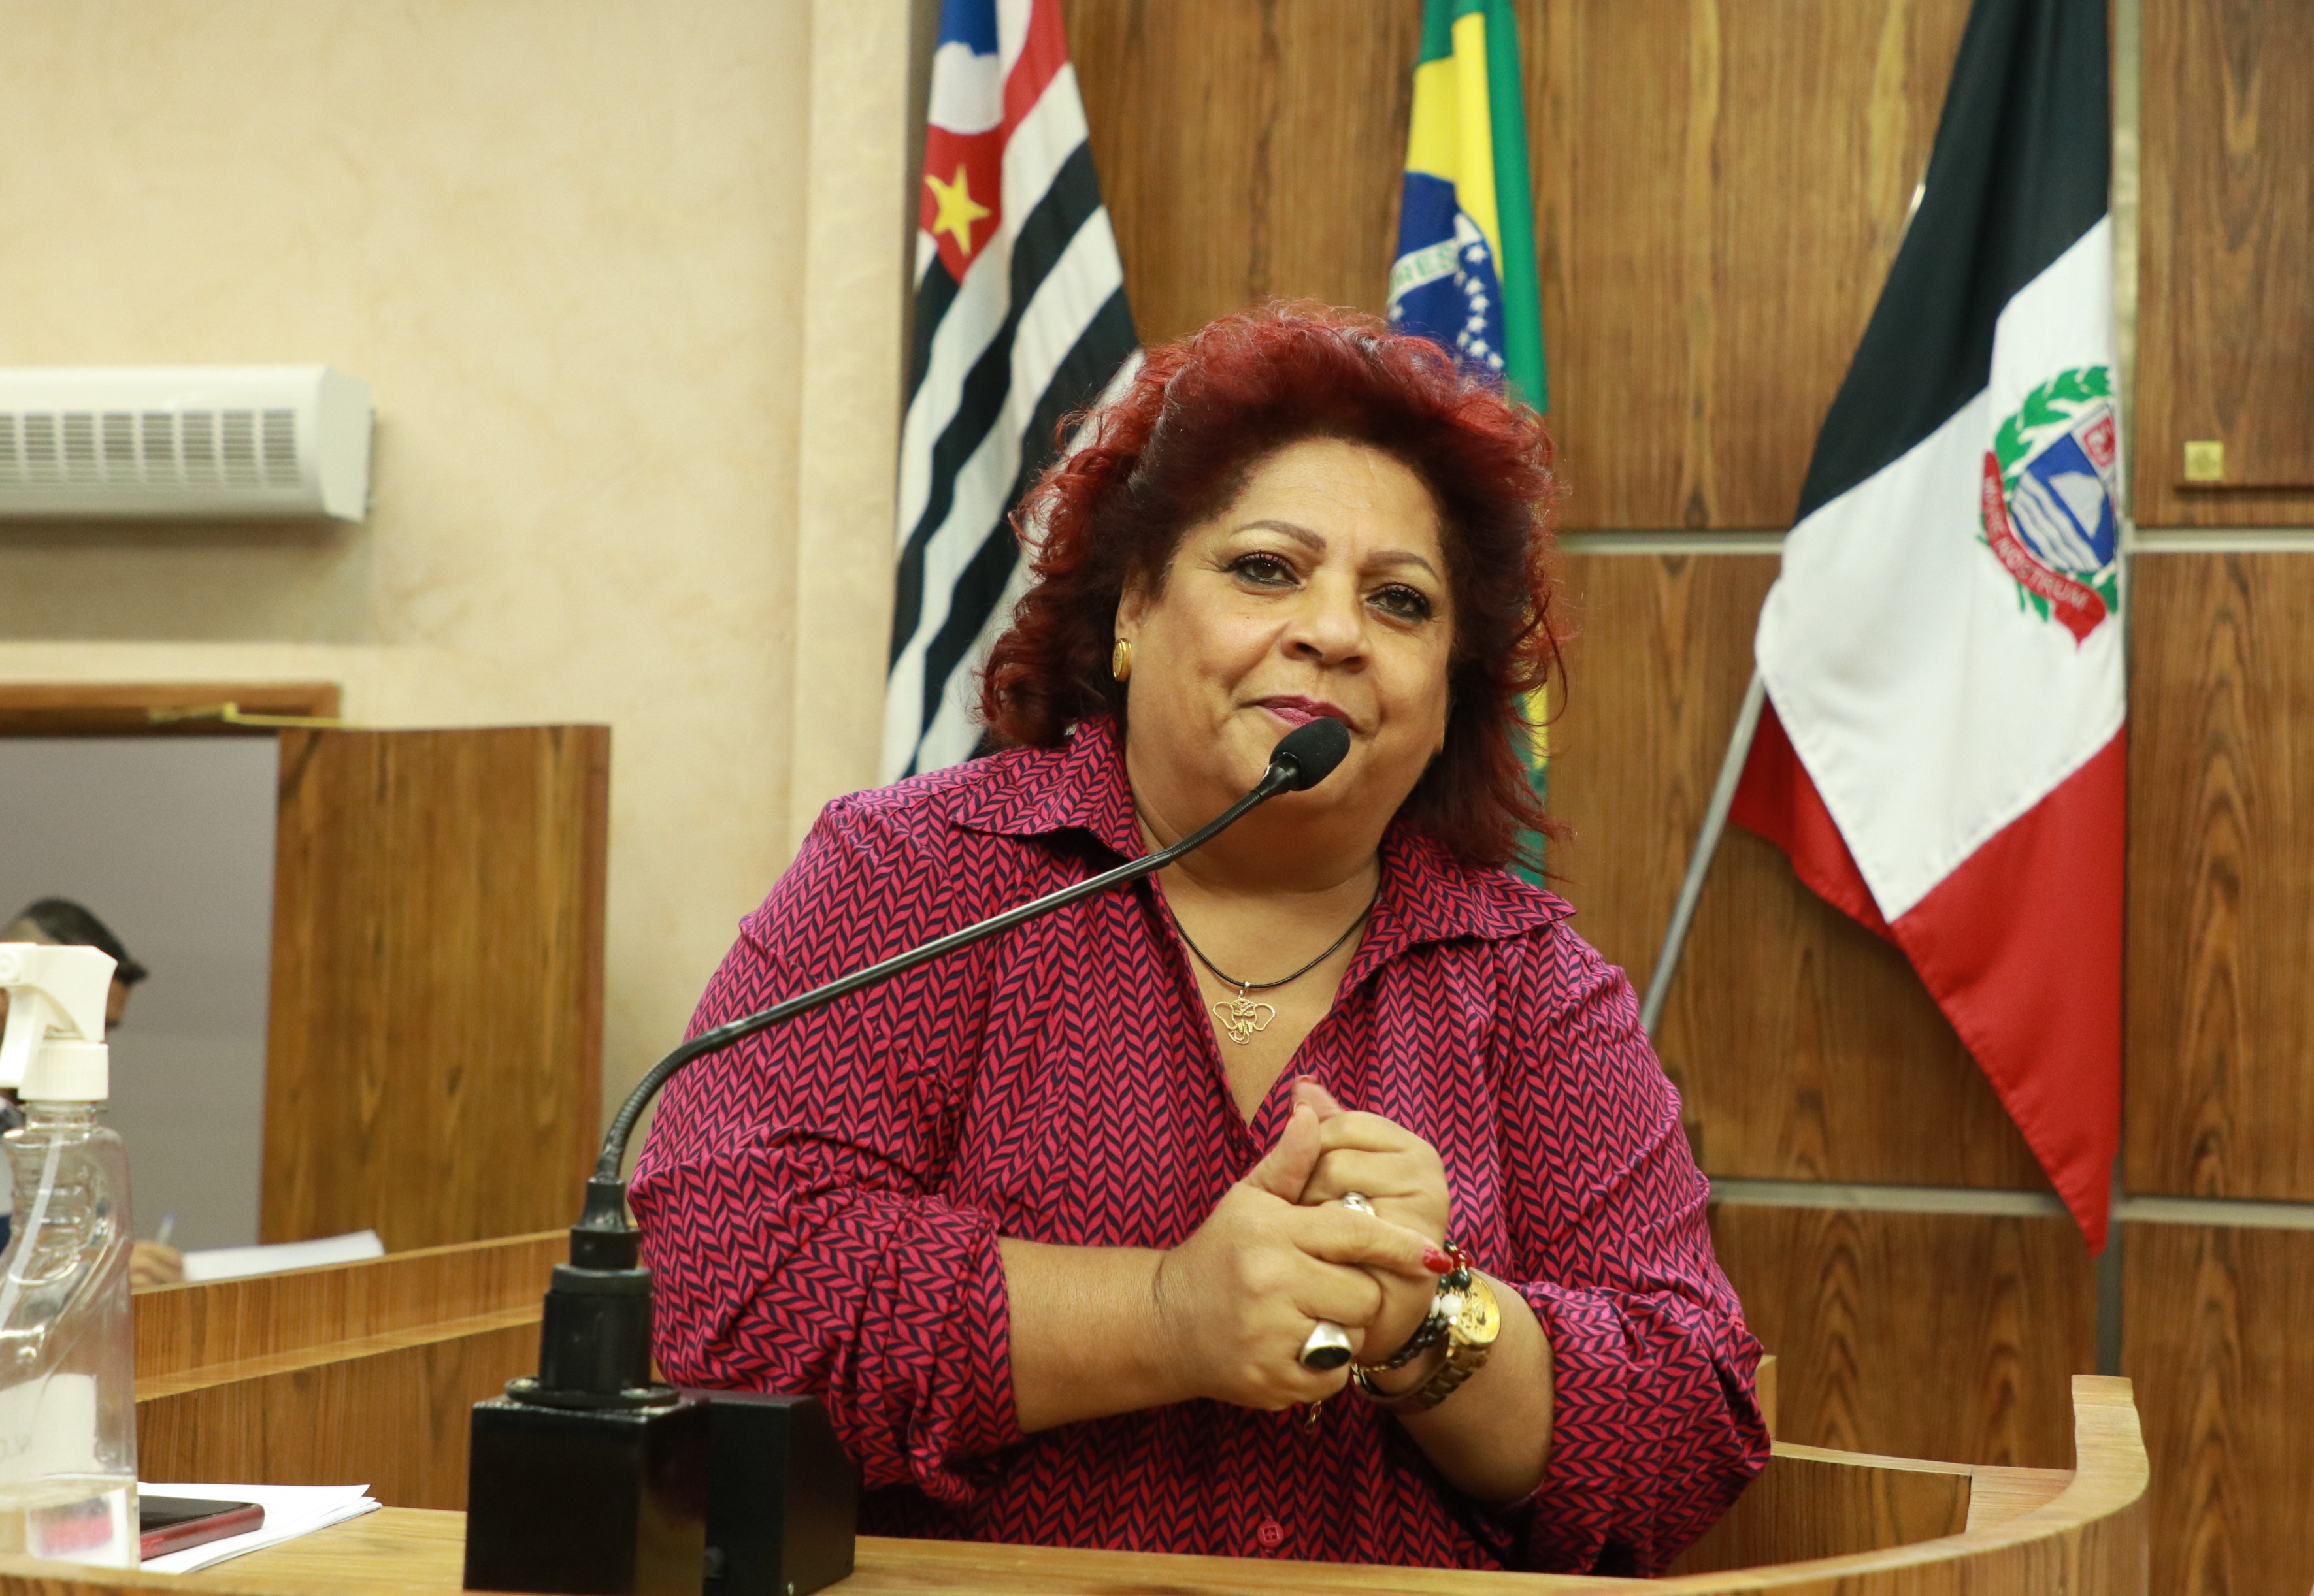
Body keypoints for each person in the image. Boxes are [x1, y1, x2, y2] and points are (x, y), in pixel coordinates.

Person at [634, 306, 1768, 1574]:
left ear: (1449, 693)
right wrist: (1166, 1316)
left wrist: (1428, 1322)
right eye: (1267, 569)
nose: (1334, 630)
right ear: (1132, 608)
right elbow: (716, 1288)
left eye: (1400, 600)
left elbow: (1691, 1427)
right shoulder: (919, 880)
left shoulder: (1530, 983)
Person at [0, 898, 186, 1303]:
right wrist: (85, 1289)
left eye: (103, 1028)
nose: (91, 1043)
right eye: (71, 1020)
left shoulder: (74, 1144)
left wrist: (116, 1281)